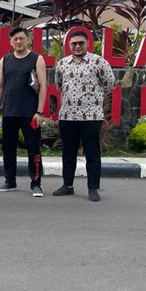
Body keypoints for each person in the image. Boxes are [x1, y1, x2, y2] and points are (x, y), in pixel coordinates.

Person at [53, 30, 116, 202]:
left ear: (88, 43)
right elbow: (59, 85)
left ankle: (93, 188)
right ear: (69, 45)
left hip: (91, 116)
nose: (77, 46)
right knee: (68, 152)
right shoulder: (62, 64)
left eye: (81, 43)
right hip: (67, 116)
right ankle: (67, 185)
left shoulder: (98, 62)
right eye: (74, 43)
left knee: (92, 153)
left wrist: (93, 98)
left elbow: (109, 84)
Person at [0, 26, 48, 197]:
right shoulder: (5, 60)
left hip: (30, 113)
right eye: (15, 39)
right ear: (10, 42)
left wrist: (39, 111)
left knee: (33, 149)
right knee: (8, 148)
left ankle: (36, 183)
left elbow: (43, 86)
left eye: (21, 38)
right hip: (9, 112)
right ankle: (10, 181)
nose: (18, 41)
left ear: (28, 39)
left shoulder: (36, 59)